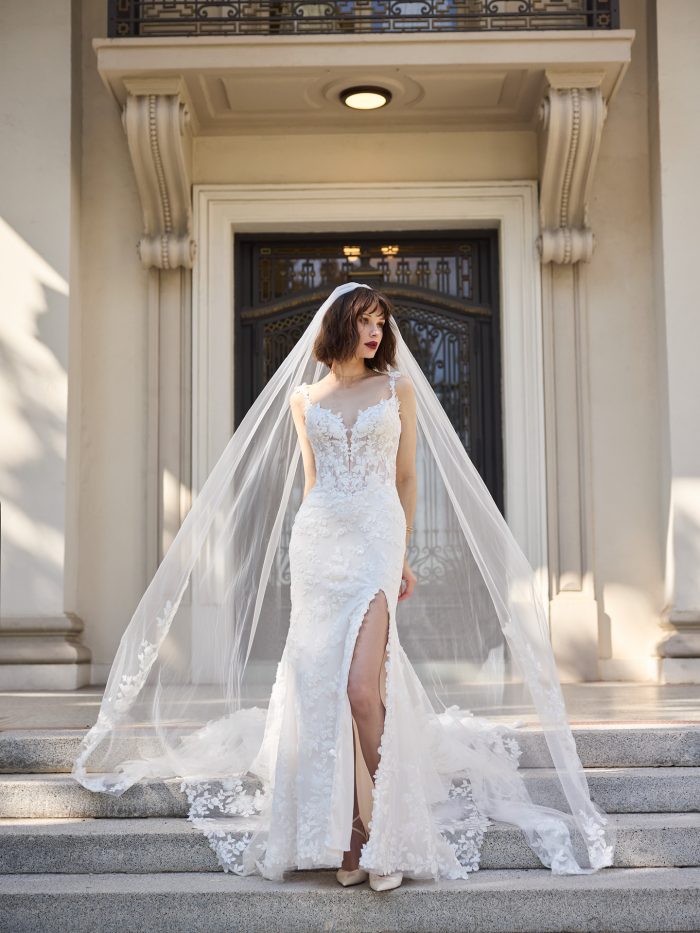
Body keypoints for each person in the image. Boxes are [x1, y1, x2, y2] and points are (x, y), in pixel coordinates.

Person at [72, 282, 615, 890]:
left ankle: (380, 832)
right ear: (339, 327)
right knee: (322, 691)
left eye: (381, 322)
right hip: (318, 548)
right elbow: (311, 482)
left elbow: (406, 478)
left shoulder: (397, 389)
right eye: (364, 321)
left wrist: (402, 554)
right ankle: (349, 837)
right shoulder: (305, 400)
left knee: (362, 689)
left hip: (377, 543)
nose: (375, 332)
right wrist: (302, 553)